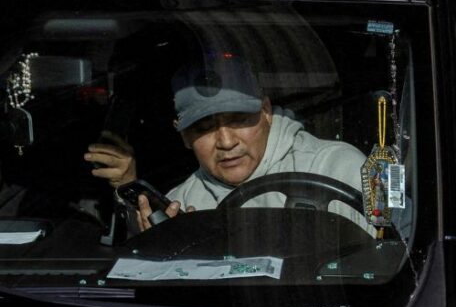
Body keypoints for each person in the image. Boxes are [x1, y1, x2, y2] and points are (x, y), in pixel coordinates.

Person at [85, 54, 371, 232]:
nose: (225, 141)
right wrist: (164, 246)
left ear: (266, 112)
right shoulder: (181, 205)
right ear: (183, 136)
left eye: (238, 120)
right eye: (205, 128)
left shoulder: (338, 168)